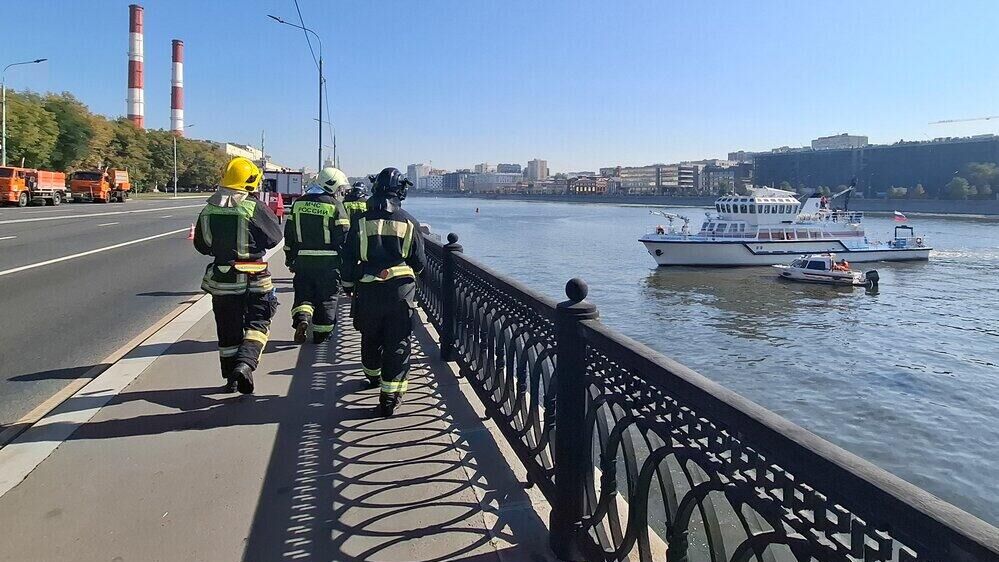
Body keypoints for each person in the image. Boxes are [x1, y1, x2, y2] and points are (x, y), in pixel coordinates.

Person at [341, 167, 426, 417]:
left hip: (368, 289)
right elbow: (419, 261)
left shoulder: (360, 221)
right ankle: (390, 396)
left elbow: (348, 258)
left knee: (370, 336)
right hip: (400, 292)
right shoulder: (409, 221)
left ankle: (371, 377)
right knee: (398, 342)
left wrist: (348, 285)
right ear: (400, 191)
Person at [194, 157, 282, 393]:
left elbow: (202, 246)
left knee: (227, 329)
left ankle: (231, 379)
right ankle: (245, 364)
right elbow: (274, 238)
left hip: (222, 279)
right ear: (251, 182)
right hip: (254, 276)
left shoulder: (208, 209)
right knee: (258, 321)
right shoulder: (253, 207)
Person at [284, 167, 351, 344]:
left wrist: (289, 258)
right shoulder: (335, 205)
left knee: (304, 293)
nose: (340, 191)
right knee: (327, 298)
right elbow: (343, 236)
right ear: (332, 185)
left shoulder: (298, 203)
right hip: (328, 263)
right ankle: (321, 334)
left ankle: (303, 317)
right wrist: (345, 263)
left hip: (303, 260)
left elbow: (289, 234)